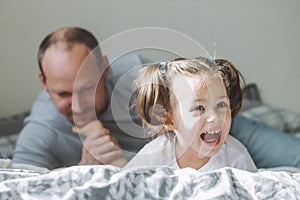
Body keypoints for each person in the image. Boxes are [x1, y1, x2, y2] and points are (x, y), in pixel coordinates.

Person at [13, 27, 300, 170]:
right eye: (63, 94)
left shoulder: (136, 75)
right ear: (43, 82)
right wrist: (86, 173)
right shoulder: (41, 132)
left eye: (87, 88)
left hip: (224, 128)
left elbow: (199, 88)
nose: (76, 104)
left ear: (105, 68)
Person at [124, 58, 257, 172]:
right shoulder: (154, 156)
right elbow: (123, 187)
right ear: (169, 120)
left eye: (221, 105)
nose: (215, 117)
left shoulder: (237, 158)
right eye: (199, 108)